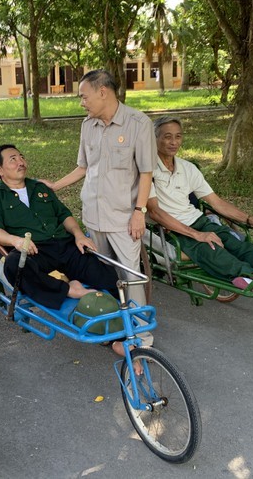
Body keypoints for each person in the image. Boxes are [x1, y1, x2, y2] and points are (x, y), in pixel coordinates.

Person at [44, 69, 156, 353]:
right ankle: (112, 327)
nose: (82, 102)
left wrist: (139, 211)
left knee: (131, 276)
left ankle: (141, 338)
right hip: (93, 216)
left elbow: (146, 172)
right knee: (103, 276)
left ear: (102, 91)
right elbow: (84, 167)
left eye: (84, 96)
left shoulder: (137, 123)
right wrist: (56, 184)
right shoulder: (87, 126)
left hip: (123, 218)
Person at [146, 116, 253, 289]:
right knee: (210, 250)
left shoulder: (187, 168)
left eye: (178, 136)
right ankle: (250, 275)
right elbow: (154, 212)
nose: (174, 142)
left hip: (198, 221)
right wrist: (197, 235)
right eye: (167, 136)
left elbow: (216, 203)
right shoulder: (147, 170)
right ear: (154, 139)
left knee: (236, 244)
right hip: (172, 230)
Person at [0, 144, 119, 310]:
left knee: (105, 274)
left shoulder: (40, 188)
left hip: (64, 246)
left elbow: (64, 215)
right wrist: (16, 241)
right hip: (35, 251)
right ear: (0, 169)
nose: (21, 162)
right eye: (13, 159)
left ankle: (123, 324)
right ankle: (68, 289)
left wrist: (79, 235)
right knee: (14, 265)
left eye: (21, 157)